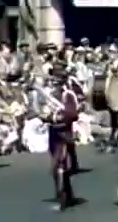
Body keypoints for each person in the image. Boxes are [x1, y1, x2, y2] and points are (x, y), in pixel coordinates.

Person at [40, 61, 79, 211]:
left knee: (58, 166)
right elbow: (41, 112)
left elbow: (74, 115)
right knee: (59, 166)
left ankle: (61, 196)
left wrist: (61, 116)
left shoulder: (67, 95)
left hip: (64, 133)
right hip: (53, 133)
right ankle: (67, 193)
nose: (53, 84)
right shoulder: (49, 96)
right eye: (52, 81)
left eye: (56, 81)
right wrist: (45, 116)